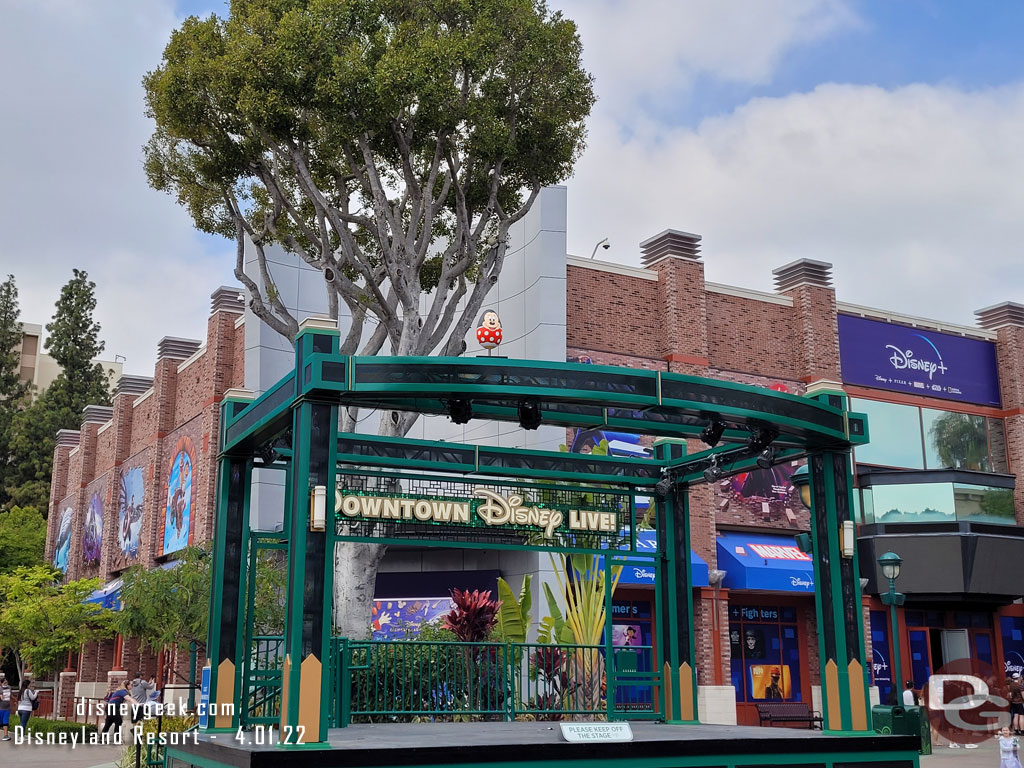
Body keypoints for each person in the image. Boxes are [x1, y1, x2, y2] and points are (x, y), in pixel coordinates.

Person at [0, 673, 11, 741]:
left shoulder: (9, 687)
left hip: (7, 708)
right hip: (0, 708)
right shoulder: (0, 688)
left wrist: (16, 701)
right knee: (1, 722)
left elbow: (11, 695)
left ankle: (5, 735)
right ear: (1, 683)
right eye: (4, 682)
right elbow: (1, 696)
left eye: (6, 682)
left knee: (5, 722)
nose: (6, 683)